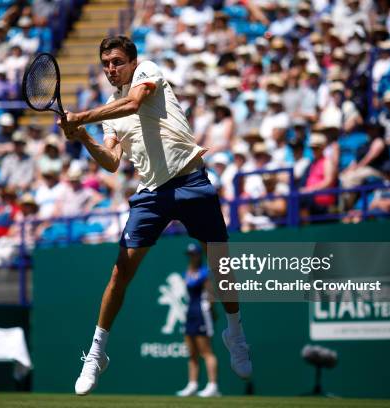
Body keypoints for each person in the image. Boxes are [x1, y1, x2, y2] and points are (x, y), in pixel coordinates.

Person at [59, 36, 251, 396]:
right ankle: (97, 352)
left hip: (191, 181)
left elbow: (135, 103)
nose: (111, 69)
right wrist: (83, 135)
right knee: (120, 272)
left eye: (117, 61)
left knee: (221, 262)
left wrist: (81, 116)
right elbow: (112, 162)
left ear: (133, 61)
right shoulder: (109, 111)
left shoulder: (148, 72)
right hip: (151, 194)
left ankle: (234, 331)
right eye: (105, 63)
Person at [176, 243, 220, 398]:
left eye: (193, 254)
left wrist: (211, 312)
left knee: (206, 351)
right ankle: (192, 385)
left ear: (199, 255)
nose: (191, 257)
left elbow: (211, 296)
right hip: (189, 313)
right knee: (192, 352)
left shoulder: (205, 273)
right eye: (189, 254)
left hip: (202, 313)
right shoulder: (186, 273)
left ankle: (213, 386)